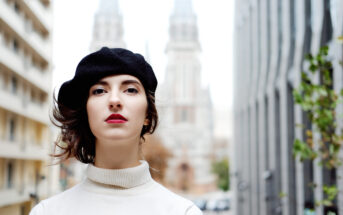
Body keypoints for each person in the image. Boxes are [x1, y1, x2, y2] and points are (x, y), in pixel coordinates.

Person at [29, 47, 202, 215]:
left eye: (131, 90)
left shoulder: (182, 212)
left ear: (148, 115)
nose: (114, 100)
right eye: (99, 91)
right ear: (86, 112)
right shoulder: (47, 212)